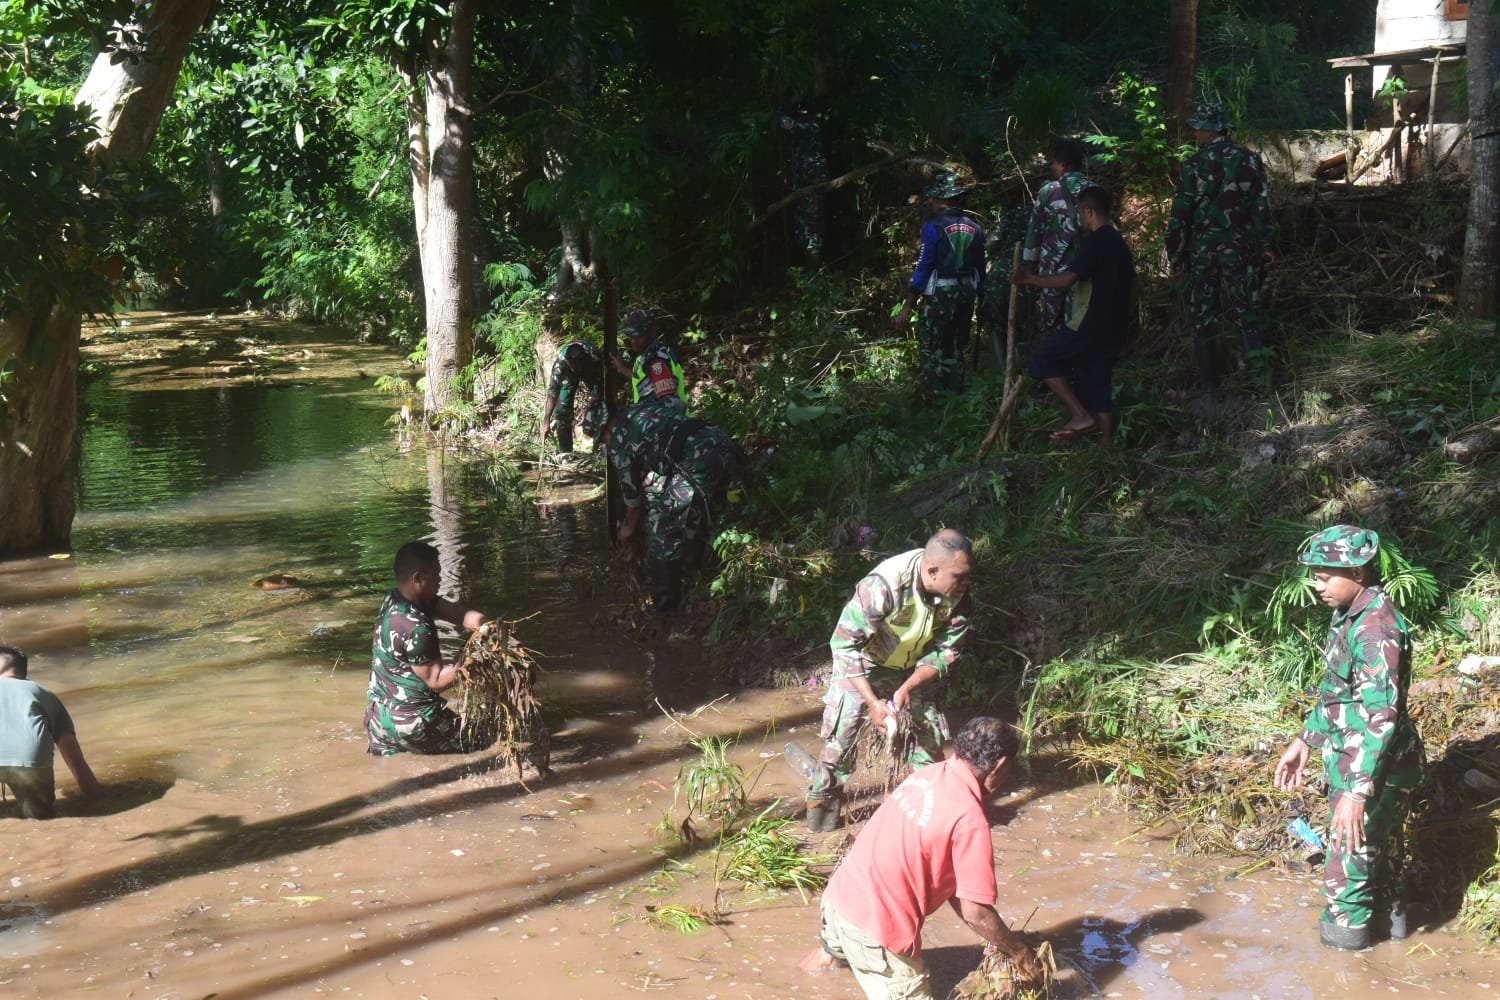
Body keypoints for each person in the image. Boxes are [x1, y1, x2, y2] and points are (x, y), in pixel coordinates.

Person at [799, 716, 1044, 997]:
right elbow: (975, 912)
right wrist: (1022, 955)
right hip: (875, 928)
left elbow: (955, 887)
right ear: (1000, 765)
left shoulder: (927, 775)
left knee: (824, 967)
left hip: (838, 901)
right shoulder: (969, 817)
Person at [1273, 525, 1423, 951]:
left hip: (1372, 769)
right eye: (1315, 577)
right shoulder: (1350, 613)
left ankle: (1343, 962)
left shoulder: (1374, 630)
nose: (1316, 586)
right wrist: (1306, 740)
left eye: (1324, 577)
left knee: (1346, 871)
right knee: (1381, 861)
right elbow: (1338, 692)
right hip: (1361, 761)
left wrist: (1356, 793)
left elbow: (1382, 715)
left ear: (1358, 572)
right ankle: (1391, 953)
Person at [804, 529, 973, 832]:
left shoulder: (958, 597)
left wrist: (907, 687)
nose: (965, 584)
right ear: (932, 571)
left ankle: (927, 823)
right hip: (865, 662)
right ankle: (821, 820)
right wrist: (872, 702)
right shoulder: (884, 586)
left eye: (968, 577)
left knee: (928, 743)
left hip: (911, 669)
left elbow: (945, 652)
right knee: (841, 742)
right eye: (959, 577)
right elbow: (844, 645)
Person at [1164, 101, 1276, 394]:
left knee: (1203, 315)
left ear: (1210, 130)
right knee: (1248, 311)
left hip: (1203, 250)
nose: (1195, 133)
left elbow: (1181, 214)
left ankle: (1210, 388)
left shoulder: (1194, 164)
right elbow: (1261, 207)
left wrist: (1175, 253)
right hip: (1241, 247)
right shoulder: (1250, 160)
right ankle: (1260, 385)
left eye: (1198, 128)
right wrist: (1267, 245)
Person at [1013, 185, 1136, 442]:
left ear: (1089, 211)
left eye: (1080, 212)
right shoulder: (1118, 242)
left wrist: (1029, 279)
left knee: (1042, 360)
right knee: (1098, 382)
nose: (1079, 218)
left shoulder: (1096, 241)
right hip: (1115, 325)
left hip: (1090, 322)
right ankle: (1105, 451)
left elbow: (1067, 279)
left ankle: (1080, 415)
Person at [595, 403, 738, 614]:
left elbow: (633, 501)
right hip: (723, 445)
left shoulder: (618, 441)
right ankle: (693, 575)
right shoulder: (637, 412)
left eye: (602, 440)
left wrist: (628, 529)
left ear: (606, 429)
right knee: (695, 515)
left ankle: (665, 608)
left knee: (664, 529)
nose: (605, 444)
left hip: (698, 460)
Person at [365, 541, 495, 756]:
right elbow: (436, 682)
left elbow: (459, 614)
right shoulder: (416, 628)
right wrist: (476, 657)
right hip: (413, 724)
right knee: (485, 740)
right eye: (436, 574)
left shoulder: (394, 599)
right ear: (418, 578)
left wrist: (488, 626)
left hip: (379, 719)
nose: (440, 579)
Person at [894, 174, 985, 400]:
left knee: (931, 346)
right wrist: (983, 296)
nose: (931, 201)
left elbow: (924, 265)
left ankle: (933, 398)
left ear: (942, 199)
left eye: (934, 197)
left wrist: (909, 303)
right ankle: (955, 396)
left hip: (940, 294)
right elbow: (980, 268)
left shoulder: (933, 226)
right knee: (955, 344)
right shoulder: (976, 227)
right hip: (966, 293)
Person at [0, 644, 103, 819]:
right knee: (38, 819)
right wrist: (96, 797)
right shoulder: (43, 693)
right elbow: (75, 761)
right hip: (30, 761)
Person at [1022, 138, 1098, 332]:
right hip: (1084, 268)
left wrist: (1030, 268)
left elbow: (1035, 231)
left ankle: (1054, 348)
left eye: (1054, 162)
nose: (1051, 167)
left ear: (1063, 165)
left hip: (1052, 270)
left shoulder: (1048, 191)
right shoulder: (1094, 190)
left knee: (1052, 324)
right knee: (1080, 319)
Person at [778, 104, 829, 266]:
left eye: (803, 116)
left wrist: (778, 114)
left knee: (812, 228)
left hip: (813, 186)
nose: (801, 119)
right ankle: (808, 267)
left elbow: (790, 126)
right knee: (802, 228)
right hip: (802, 187)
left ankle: (815, 267)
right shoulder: (800, 135)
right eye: (799, 116)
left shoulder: (811, 128)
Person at [611, 309, 688, 411]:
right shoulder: (649, 354)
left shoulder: (656, 360)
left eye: (639, 336)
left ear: (652, 332)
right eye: (631, 336)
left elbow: (669, 403)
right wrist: (622, 369)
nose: (634, 341)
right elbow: (646, 380)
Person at [540, 340, 606, 454]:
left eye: (578, 367)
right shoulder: (561, 364)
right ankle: (565, 452)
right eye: (574, 367)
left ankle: (601, 446)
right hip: (569, 375)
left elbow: (600, 388)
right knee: (562, 410)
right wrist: (546, 421)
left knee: (600, 405)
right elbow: (553, 392)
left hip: (590, 371)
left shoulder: (594, 358)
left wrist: (587, 408)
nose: (577, 370)